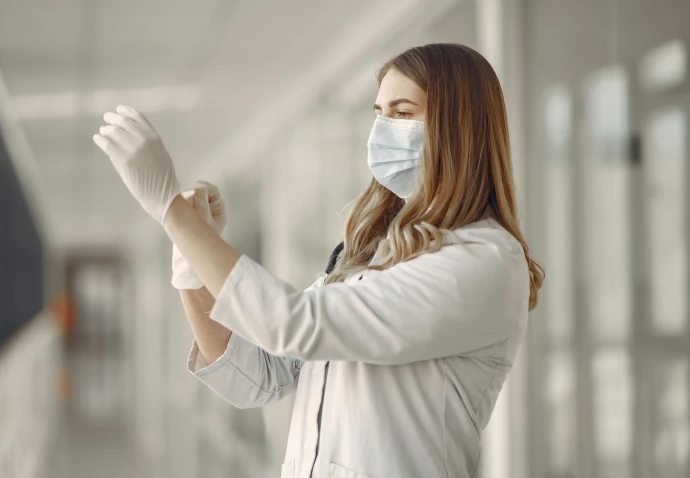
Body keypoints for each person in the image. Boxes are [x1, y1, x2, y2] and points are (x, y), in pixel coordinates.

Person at [92, 43, 544, 478]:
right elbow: (262, 375)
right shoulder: (373, 250)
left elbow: (294, 323)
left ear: (459, 130)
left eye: (403, 113)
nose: (382, 130)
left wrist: (174, 214)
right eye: (379, 113)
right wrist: (191, 257)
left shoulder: (481, 261)